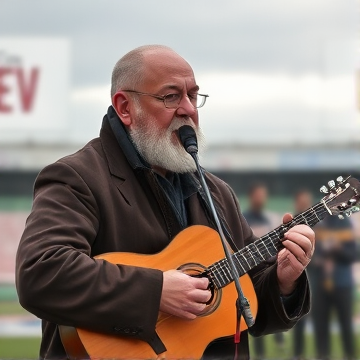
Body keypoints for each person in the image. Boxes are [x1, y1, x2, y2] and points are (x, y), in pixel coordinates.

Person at [15, 45, 315, 360]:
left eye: (193, 95)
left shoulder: (217, 193)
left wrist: (283, 280)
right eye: (170, 97)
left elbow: (249, 308)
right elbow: (41, 271)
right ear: (125, 107)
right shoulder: (77, 177)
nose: (188, 109)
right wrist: (156, 292)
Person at [242, 182, 285, 360]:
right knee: (253, 313)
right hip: (246, 274)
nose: (262, 198)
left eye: (264, 195)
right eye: (259, 194)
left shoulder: (267, 219)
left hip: (264, 270)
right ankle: (259, 353)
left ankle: (278, 339)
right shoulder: (243, 218)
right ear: (252, 196)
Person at [311, 209, 357, 360]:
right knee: (320, 325)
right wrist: (318, 261)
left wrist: (339, 249)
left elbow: (355, 254)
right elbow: (308, 255)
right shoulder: (316, 225)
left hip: (342, 283)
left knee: (346, 325)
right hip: (320, 283)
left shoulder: (345, 224)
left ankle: (349, 355)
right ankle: (322, 355)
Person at [291, 189, 314, 360]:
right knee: (298, 318)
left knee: (320, 317)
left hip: (317, 275)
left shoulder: (318, 222)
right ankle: (298, 353)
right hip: (297, 276)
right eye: (301, 200)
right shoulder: (292, 222)